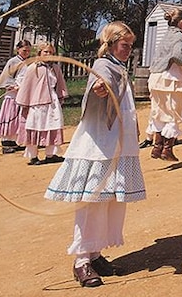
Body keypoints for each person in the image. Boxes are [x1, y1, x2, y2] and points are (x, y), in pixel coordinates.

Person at [44, 22, 146, 288]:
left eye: (130, 46)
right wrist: (98, 91)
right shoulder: (102, 65)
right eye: (125, 45)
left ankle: (96, 252)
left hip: (116, 142)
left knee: (108, 199)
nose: (128, 50)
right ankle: (81, 260)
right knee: (92, 200)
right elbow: (96, 91)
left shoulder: (119, 66)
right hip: (100, 143)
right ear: (111, 43)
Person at [146, 8, 182, 161]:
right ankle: (167, 149)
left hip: (155, 77)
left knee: (159, 112)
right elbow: (177, 55)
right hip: (171, 79)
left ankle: (157, 146)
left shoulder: (165, 36)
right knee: (173, 113)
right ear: (181, 22)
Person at [16, 42, 68, 166]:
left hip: (52, 102)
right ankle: (33, 156)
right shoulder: (33, 68)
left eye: (51, 52)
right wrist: (25, 103)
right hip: (37, 103)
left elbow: (59, 83)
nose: (48, 54)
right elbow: (26, 86)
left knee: (53, 125)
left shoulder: (55, 68)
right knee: (36, 126)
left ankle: (50, 155)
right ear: (39, 53)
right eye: (45, 51)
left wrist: (61, 96)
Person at [0, 40, 32, 154]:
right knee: (10, 117)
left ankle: (13, 141)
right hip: (12, 95)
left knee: (18, 118)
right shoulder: (13, 61)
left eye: (28, 51)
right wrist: (12, 86)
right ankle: (6, 143)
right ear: (18, 49)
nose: (26, 53)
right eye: (24, 50)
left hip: (21, 94)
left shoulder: (27, 62)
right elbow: (6, 77)